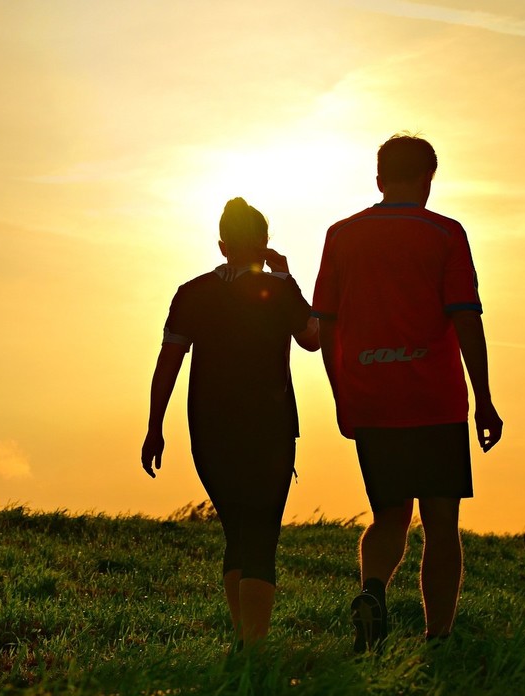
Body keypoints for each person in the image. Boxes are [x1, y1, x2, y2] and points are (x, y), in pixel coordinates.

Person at [311, 134, 503, 652]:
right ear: (427, 179)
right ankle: (437, 638)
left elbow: (326, 325)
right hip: (435, 401)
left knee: (389, 515)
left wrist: (341, 393)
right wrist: (484, 399)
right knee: (441, 523)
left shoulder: (340, 235)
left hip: (372, 398)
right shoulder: (446, 234)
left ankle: (373, 590)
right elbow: (466, 319)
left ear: (379, 179)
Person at [142, 197, 319, 649]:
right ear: (264, 244)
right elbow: (313, 338)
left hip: (208, 429)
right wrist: (288, 278)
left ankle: (244, 641)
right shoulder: (279, 289)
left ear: (222, 246)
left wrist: (154, 427)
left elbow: (168, 362)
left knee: (237, 532)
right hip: (270, 427)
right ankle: (253, 650)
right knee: (261, 534)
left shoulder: (192, 292)